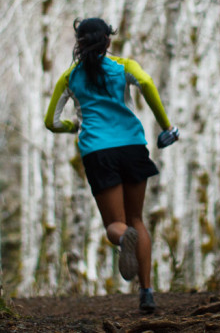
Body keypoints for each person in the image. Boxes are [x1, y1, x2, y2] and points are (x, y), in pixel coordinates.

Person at [44, 17, 179, 313]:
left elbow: (50, 122)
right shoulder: (124, 66)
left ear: (79, 43)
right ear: (108, 40)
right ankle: (146, 293)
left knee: (115, 225)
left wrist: (74, 126)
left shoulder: (69, 77)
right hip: (132, 146)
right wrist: (166, 126)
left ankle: (123, 239)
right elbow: (145, 82)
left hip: (98, 152)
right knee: (138, 220)